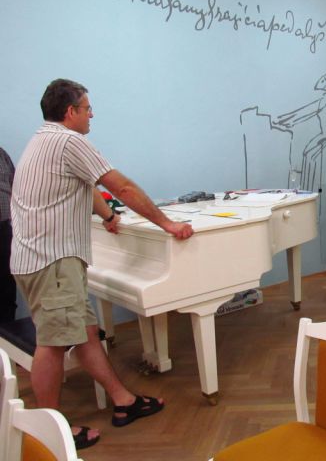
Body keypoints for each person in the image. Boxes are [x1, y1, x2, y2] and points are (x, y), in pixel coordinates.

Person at [10, 79, 194, 449]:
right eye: (87, 108)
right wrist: (168, 224)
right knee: (53, 344)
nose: (92, 114)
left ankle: (123, 400)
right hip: (52, 262)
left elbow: (87, 187)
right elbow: (122, 187)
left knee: (86, 332)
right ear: (70, 112)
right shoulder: (69, 141)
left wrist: (109, 216)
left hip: (39, 259)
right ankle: (50, 434)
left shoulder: (42, 139)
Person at [0, 147, 16, 323]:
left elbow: (15, 185)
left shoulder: (2, 154)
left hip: (3, 229)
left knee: (6, 285)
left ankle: (6, 332)